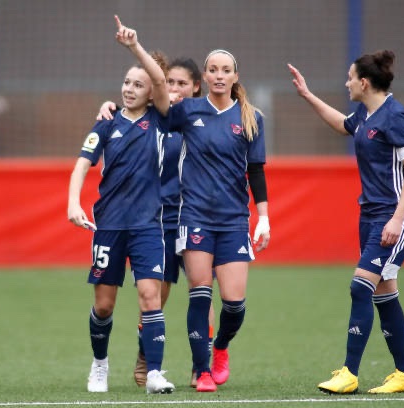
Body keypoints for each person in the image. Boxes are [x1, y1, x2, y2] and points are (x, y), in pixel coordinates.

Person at [288, 50, 404, 394]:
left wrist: (397, 219)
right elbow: (342, 124)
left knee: (360, 286)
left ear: (364, 82)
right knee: (384, 293)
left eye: (349, 78)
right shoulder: (364, 112)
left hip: (394, 217)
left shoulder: (396, 116)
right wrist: (307, 95)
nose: (346, 83)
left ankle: (349, 373)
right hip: (371, 215)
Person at [67, 15, 174, 394]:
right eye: (127, 82)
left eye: (138, 84)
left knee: (150, 296)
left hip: (148, 225)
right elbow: (82, 164)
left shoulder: (161, 119)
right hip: (110, 225)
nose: (129, 89)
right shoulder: (107, 121)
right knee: (104, 306)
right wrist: (73, 203)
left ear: (151, 92)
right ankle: (100, 365)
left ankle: (155, 373)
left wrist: (133, 46)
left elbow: (160, 80)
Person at [97, 56, 216, 388]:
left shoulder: (204, 117)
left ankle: (202, 365)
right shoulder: (159, 118)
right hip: (158, 218)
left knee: (202, 291)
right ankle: (145, 357)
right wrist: (108, 107)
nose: (175, 88)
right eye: (170, 82)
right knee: (155, 296)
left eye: (182, 83)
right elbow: (128, 115)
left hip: (195, 216)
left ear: (196, 86)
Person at [166, 49, 271, 392]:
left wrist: (264, 218)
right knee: (200, 292)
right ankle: (202, 371)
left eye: (226, 70)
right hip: (195, 215)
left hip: (234, 220)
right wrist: (109, 108)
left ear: (235, 76)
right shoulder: (188, 110)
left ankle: (221, 347)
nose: (220, 75)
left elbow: (256, 171)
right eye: (213, 70)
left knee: (234, 304)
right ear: (205, 77)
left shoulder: (251, 117)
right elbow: (149, 113)